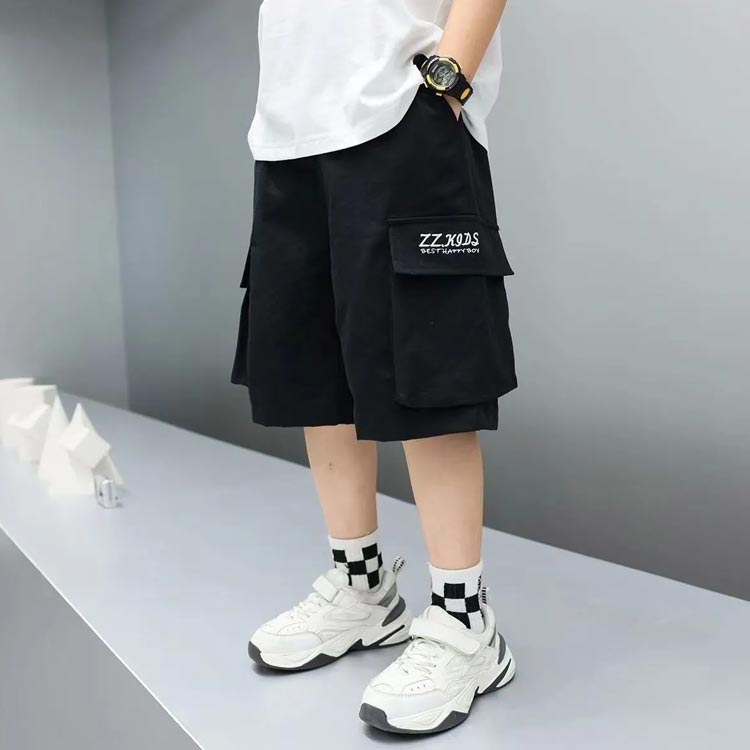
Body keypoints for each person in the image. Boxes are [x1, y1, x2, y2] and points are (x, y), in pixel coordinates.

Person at [232, 0, 517, 735]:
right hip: (290, 126)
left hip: (400, 114)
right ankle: (363, 591)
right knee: (317, 372)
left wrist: (448, 83)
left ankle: (466, 624)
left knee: (427, 369)